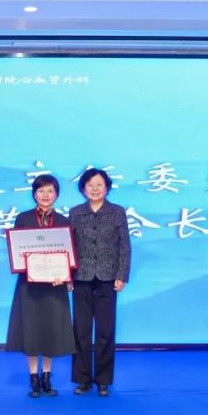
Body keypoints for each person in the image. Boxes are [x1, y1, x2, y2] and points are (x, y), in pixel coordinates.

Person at [5, 174, 76, 398]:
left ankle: (47, 377)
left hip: (55, 285)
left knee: (51, 329)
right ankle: (33, 378)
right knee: (32, 329)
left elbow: (70, 253)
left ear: (57, 195)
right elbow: (18, 251)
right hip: (30, 285)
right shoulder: (23, 218)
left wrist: (66, 277)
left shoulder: (64, 221)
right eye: (41, 191)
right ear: (34, 194)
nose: (46, 195)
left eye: (50, 191)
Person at [69, 168, 130, 396]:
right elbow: (69, 247)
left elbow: (124, 247)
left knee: (105, 331)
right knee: (81, 331)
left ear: (107, 187)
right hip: (81, 278)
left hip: (107, 279)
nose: (95, 189)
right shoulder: (75, 213)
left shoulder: (117, 212)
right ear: (83, 189)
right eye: (90, 185)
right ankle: (82, 379)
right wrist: (67, 276)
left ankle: (103, 380)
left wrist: (121, 275)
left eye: (99, 185)